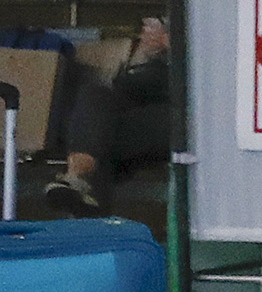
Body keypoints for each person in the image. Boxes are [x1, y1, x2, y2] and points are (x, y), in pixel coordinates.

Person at [38, 17, 171, 218]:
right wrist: (145, 54)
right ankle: (80, 177)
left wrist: (174, 45)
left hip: (188, 116)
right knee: (95, 96)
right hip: (137, 115)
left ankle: (79, 178)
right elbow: (131, 85)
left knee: (99, 136)